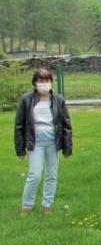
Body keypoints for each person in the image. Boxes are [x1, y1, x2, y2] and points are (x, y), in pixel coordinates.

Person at [15, 68, 73, 216]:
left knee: (51, 175)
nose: (44, 84)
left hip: (53, 143)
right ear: (35, 83)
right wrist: (20, 149)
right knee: (34, 175)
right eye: (41, 81)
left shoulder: (58, 100)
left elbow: (66, 124)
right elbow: (19, 125)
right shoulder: (26, 100)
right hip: (35, 144)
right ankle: (26, 206)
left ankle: (47, 205)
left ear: (51, 82)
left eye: (47, 80)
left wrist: (67, 148)